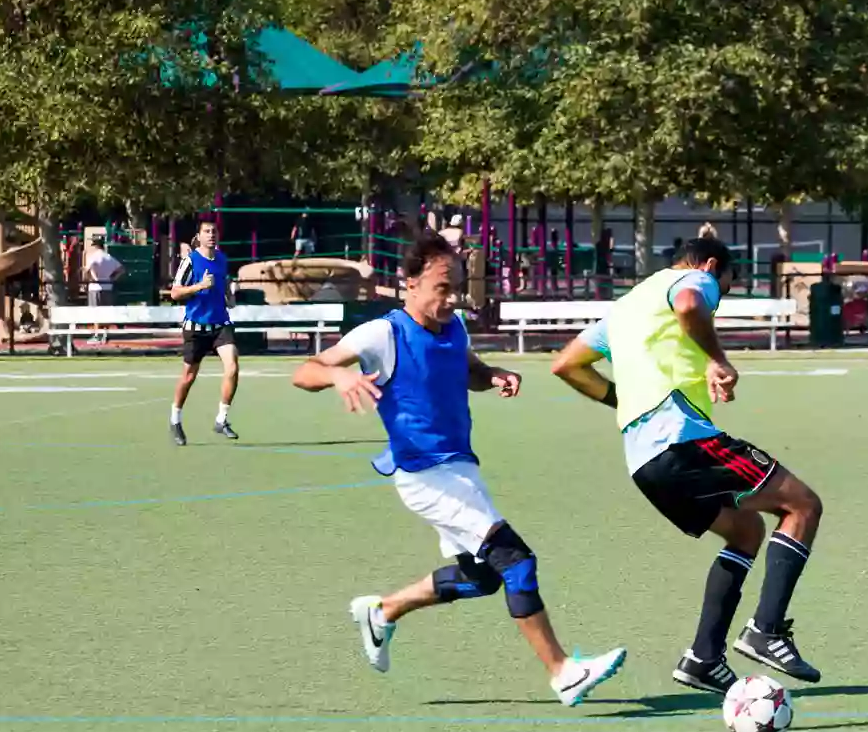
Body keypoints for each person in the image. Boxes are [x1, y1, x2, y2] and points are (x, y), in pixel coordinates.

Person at [291, 232, 625, 705]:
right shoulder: (383, 334)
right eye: (442, 287)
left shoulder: (453, 330)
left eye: (457, 288)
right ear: (409, 283)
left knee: (483, 577)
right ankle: (563, 672)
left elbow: (467, 369)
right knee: (516, 560)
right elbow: (305, 372)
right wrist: (338, 373)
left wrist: (494, 376)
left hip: (460, 470)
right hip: (426, 475)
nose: (452, 298)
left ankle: (383, 612)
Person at [549, 237, 825, 695]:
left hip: (644, 462)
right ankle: (767, 630)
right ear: (714, 265)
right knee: (802, 506)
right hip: (683, 441)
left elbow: (566, 365)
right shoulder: (693, 278)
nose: (722, 295)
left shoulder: (624, 308)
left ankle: (703, 658)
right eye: (728, 286)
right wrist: (717, 359)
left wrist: (626, 400)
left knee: (746, 532)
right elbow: (691, 302)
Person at [166, 219, 239, 445]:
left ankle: (222, 419)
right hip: (196, 327)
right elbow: (175, 293)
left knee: (233, 365)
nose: (211, 235)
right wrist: (199, 286)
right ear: (199, 236)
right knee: (189, 377)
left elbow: (223, 282)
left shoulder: (222, 259)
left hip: (220, 324)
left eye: (214, 231)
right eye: (207, 231)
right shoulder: (190, 261)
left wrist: (230, 295)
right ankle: (175, 420)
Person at [83, 234, 122, 345]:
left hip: (95, 287)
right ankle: (105, 334)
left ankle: (97, 335)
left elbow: (87, 270)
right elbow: (121, 269)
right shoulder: (108, 257)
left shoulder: (92, 257)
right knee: (106, 311)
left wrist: (92, 277)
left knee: (96, 312)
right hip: (108, 286)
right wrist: (112, 278)